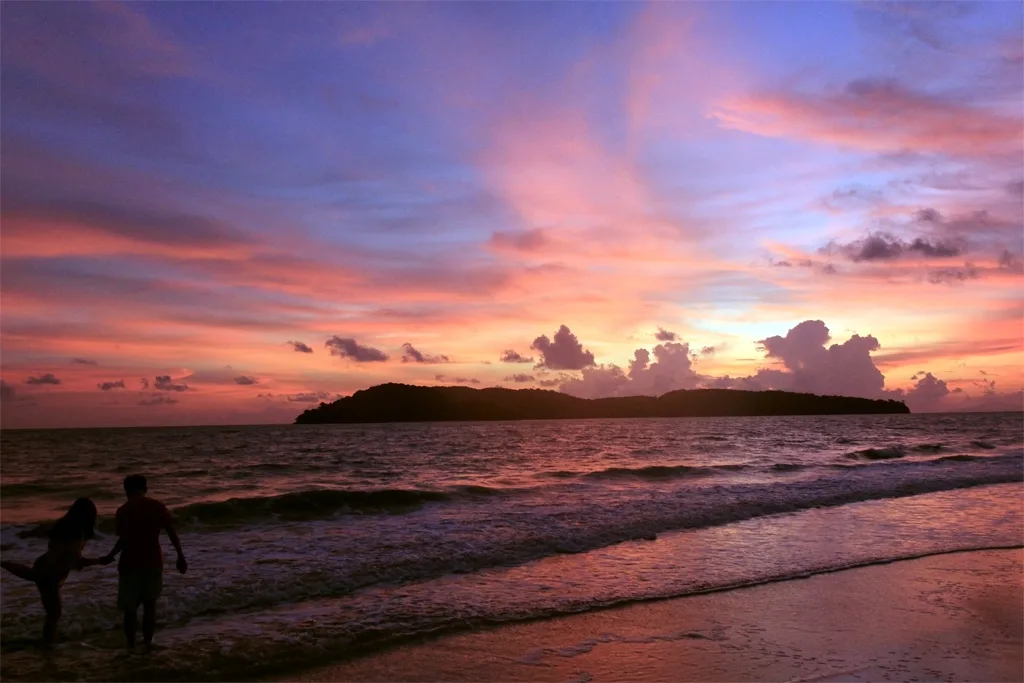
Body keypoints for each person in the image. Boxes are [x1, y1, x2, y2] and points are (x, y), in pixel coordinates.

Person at [0, 498, 113, 647]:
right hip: (51, 571)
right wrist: (99, 560)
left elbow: (43, 530)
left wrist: (27, 534)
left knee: (52, 612)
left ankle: (47, 644)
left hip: (45, 564)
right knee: (53, 613)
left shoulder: (61, 524)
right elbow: (75, 560)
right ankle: (47, 646)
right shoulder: (77, 531)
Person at [102, 474, 187, 651]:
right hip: (153, 562)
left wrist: (110, 555)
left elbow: (123, 540)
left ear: (126, 490)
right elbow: (171, 532)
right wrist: (180, 556)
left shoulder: (123, 511)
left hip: (129, 564)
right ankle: (148, 643)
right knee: (150, 606)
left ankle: (131, 646)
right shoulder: (157, 507)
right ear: (145, 489)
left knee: (130, 609)